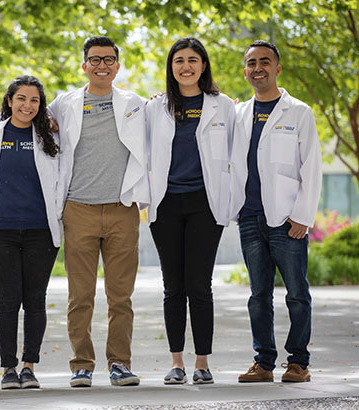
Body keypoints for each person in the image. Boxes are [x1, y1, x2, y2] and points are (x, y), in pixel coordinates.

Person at [47, 36, 149, 387]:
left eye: (108, 59)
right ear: (84, 65)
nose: (101, 65)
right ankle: (82, 365)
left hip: (122, 208)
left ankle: (120, 363)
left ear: (117, 66)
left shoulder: (135, 104)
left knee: (120, 296)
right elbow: (30, 116)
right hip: (78, 209)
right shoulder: (64, 104)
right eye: (94, 59)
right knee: (81, 295)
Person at [231, 40, 322, 383]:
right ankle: (264, 363)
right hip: (250, 217)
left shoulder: (298, 112)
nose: (258, 68)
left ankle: (298, 362)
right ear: (246, 71)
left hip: (288, 219)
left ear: (277, 68)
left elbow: (311, 167)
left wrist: (303, 216)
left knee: (297, 293)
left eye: (264, 62)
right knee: (258, 296)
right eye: (251, 63)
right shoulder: (238, 113)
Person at [146, 37, 234, 385]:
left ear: (203, 65)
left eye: (192, 60)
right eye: (179, 60)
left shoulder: (223, 105)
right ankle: (176, 362)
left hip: (205, 204)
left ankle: (202, 363)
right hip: (165, 204)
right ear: (171, 67)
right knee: (173, 287)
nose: (186, 66)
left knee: (200, 285)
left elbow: (236, 153)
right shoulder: (156, 107)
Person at [0, 75, 61, 389]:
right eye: (21, 98)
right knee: (8, 301)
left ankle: (29, 366)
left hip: (41, 230)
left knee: (35, 300)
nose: (27, 105)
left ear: (41, 105)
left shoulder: (50, 135)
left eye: (34, 100)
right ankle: (8, 367)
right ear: (9, 100)